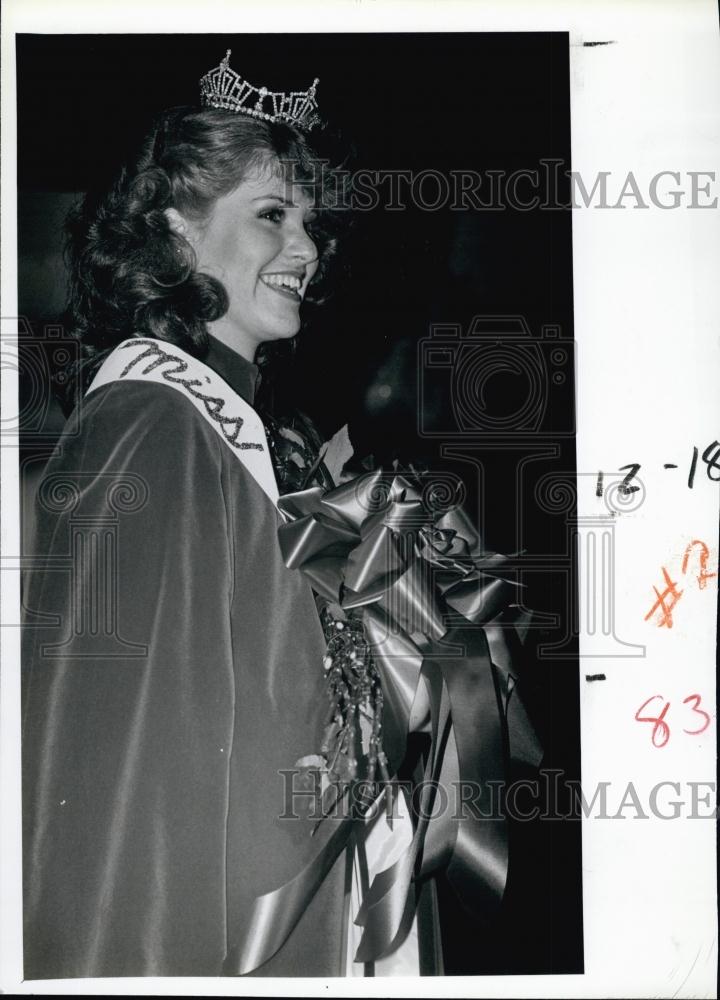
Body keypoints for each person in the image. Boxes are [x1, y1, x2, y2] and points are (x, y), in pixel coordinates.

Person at [21, 51, 365, 979]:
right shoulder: (152, 427)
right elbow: (128, 782)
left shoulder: (247, 430)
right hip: (216, 938)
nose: (307, 248)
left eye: (309, 224)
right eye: (270, 216)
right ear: (176, 230)